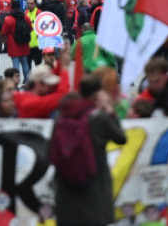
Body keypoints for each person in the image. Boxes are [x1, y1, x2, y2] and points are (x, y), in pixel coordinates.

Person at [51, 74, 127, 226]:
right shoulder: (98, 118)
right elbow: (121, 138)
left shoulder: (61, 118)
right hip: (94, 185)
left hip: (66, 188)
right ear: (98, 93)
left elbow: (51, 152)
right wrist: (109, 110)